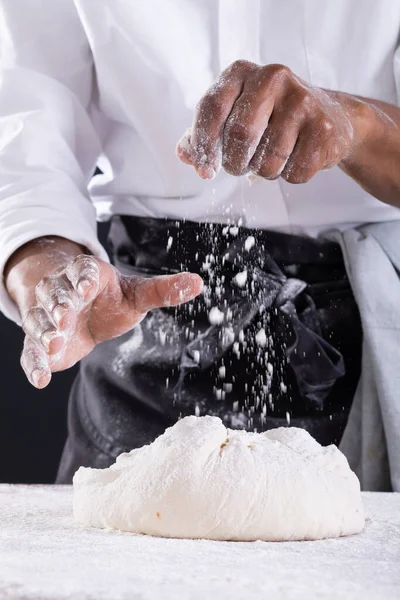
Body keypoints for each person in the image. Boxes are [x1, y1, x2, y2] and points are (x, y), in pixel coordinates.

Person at [1, 0, 400, 484]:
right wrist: (52, 271)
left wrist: (357, 125)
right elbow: (24, 132)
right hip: (140, 319)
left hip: (370, 335)